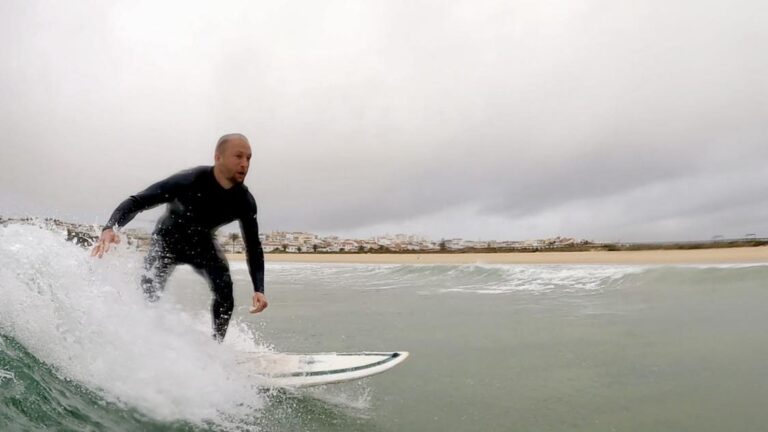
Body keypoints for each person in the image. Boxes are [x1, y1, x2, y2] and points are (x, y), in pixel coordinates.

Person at [91, 133, 268, 341]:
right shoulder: (189, 180)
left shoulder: (244, 201)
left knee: (225, 293)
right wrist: (110, 228)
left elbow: (254, 247)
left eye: (249, 158)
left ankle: (216, 348)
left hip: (202, 245)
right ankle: (141, 338)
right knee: (149, 292)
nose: (244, 163)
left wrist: (259, 288)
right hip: (167, 241)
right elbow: (137, 201)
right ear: (218, 157)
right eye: (238, 156)